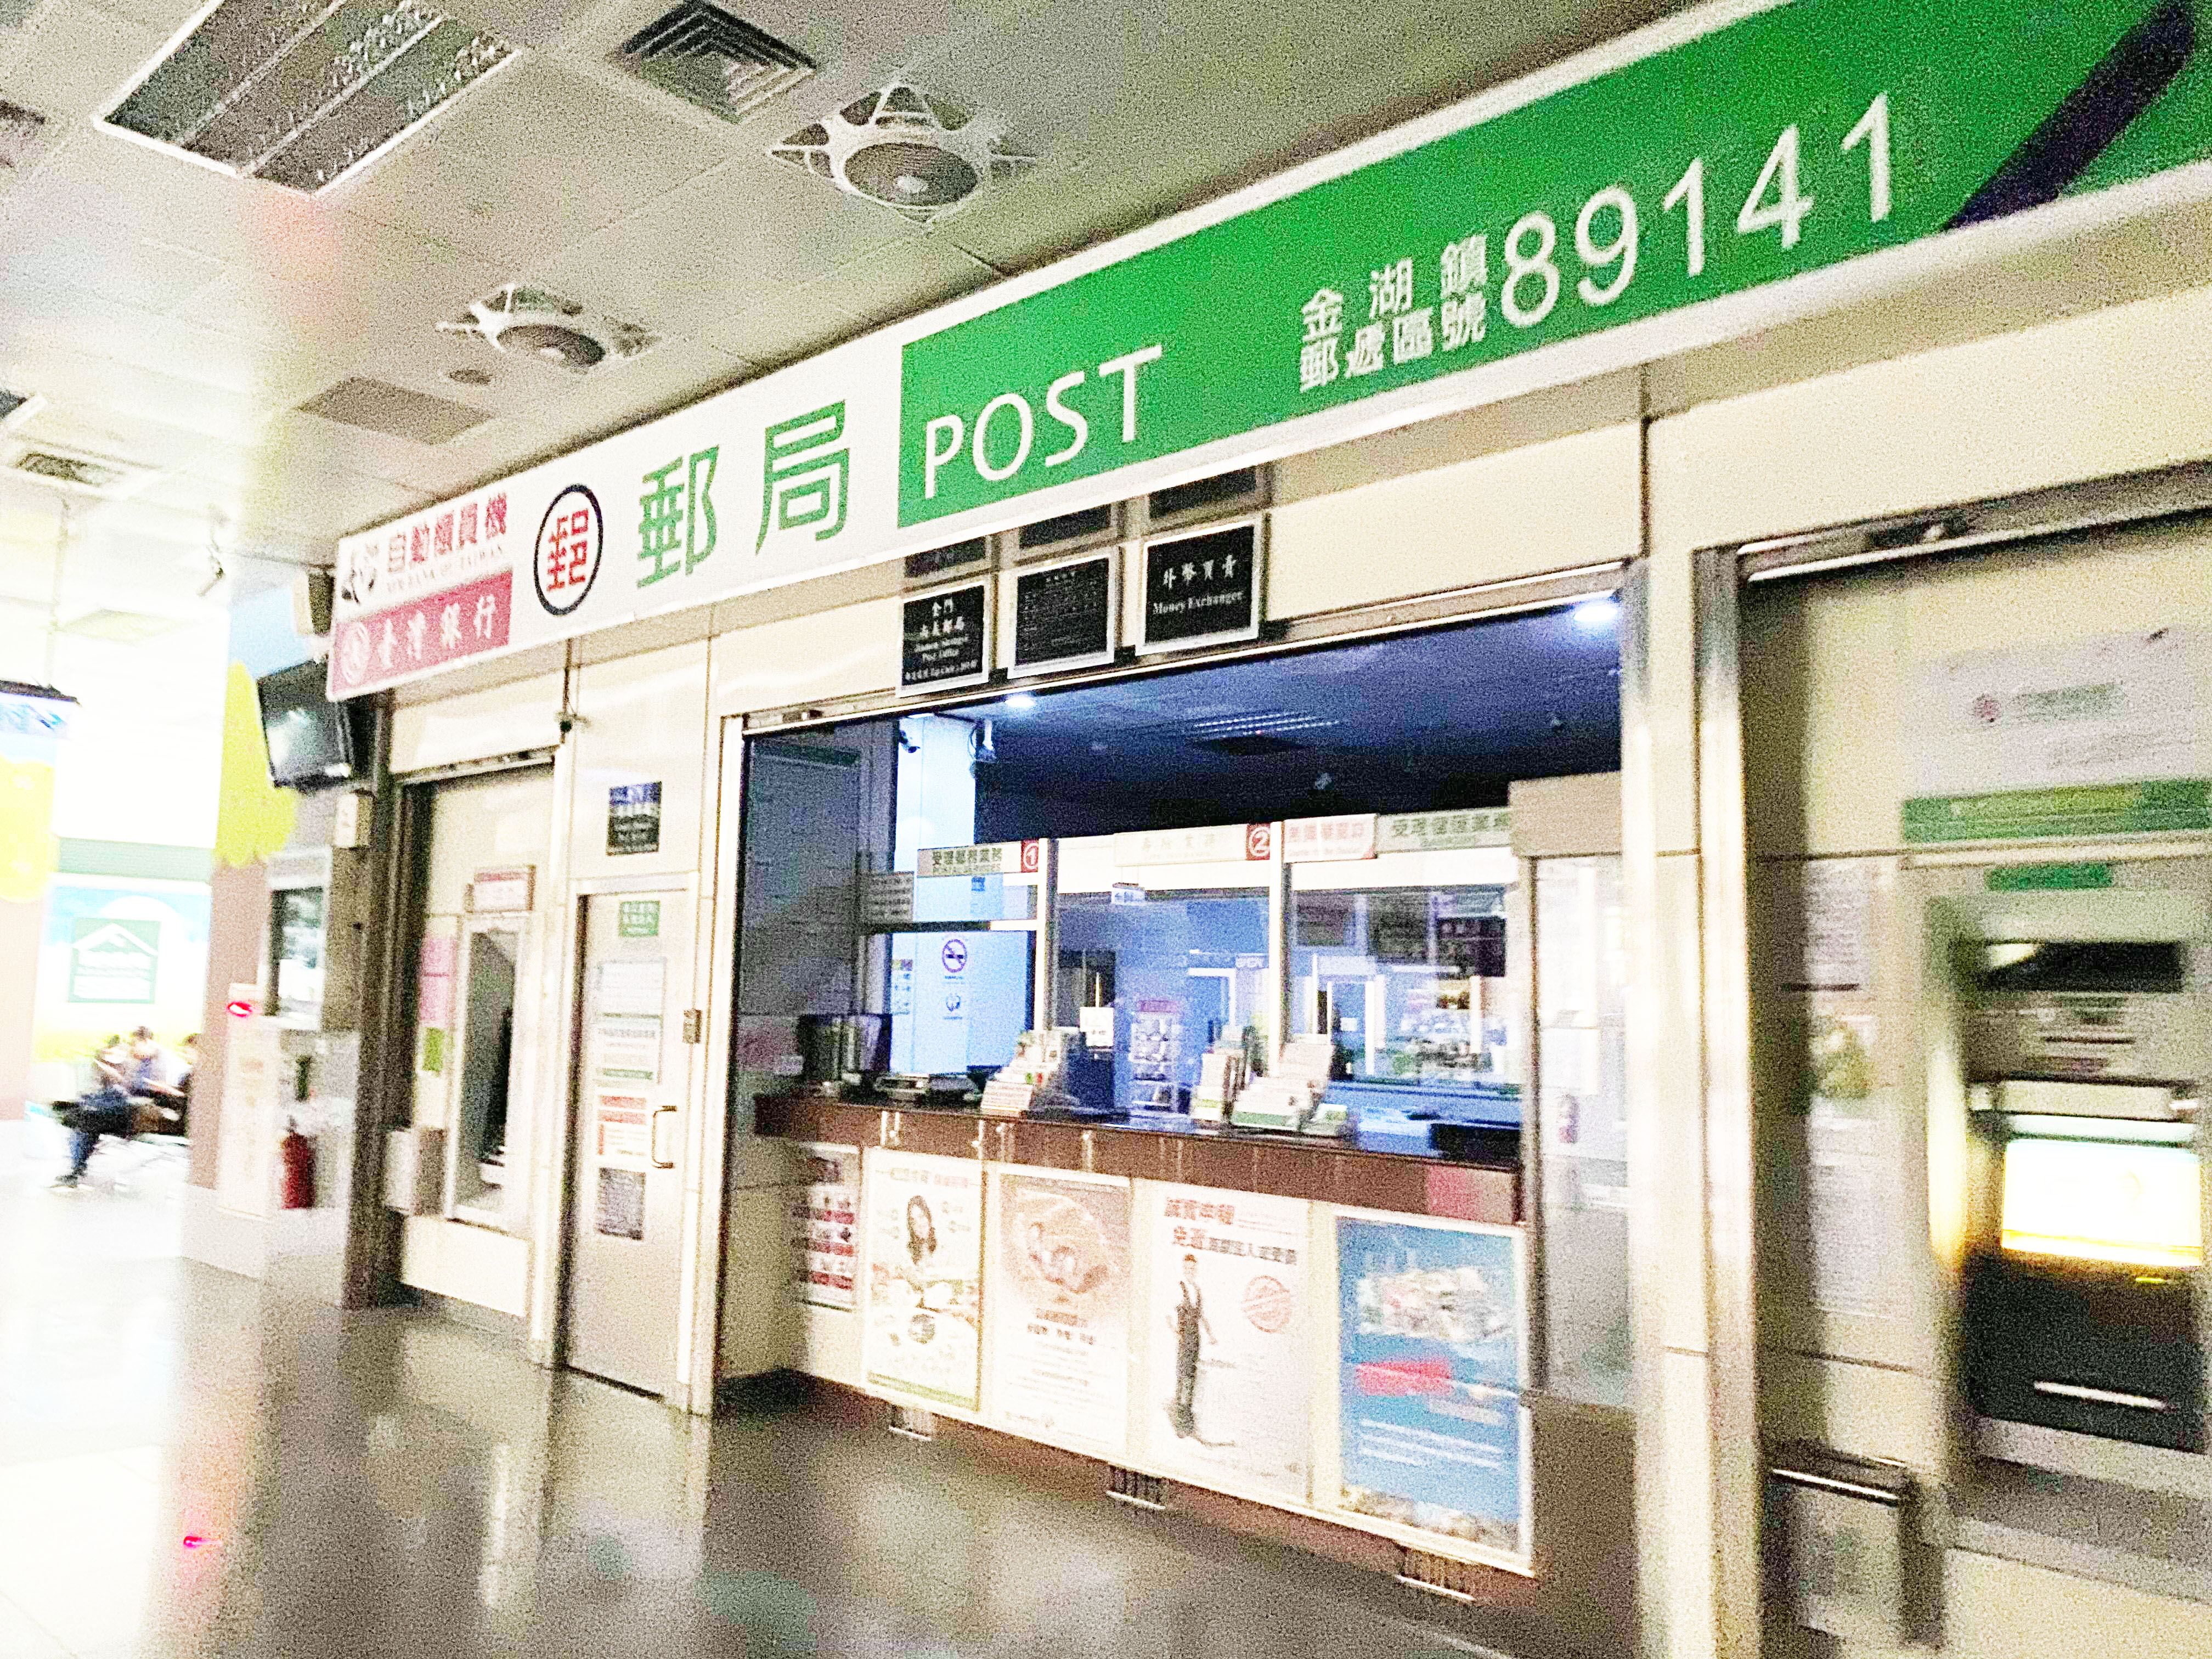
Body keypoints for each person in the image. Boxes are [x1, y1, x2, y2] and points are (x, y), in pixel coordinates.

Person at [1170, 1253, 1214, 1438]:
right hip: (1185, 1338)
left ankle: (1189, 1421)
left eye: (1193, 1268)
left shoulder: (1197, 1290)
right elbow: (1168, 1313)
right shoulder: (1179, 1288)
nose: (1190, 1271)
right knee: (1184, 1379)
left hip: (1196, 1339)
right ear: (1183, 1268)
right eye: (1187, 1268)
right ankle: (1181, 1423)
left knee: (1192, 1378)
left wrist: (1210, 1334)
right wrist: (1176, 1333)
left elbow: (1201, 1316)